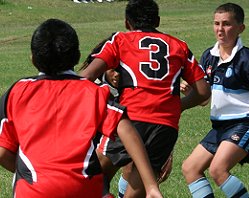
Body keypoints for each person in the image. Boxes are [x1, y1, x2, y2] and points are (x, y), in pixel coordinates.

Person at [0, 18, 163, 198]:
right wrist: (151, 186)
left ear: (32, 58)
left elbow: (2, 152)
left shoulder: (18, 91)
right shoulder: (92, 91)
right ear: (77, 56)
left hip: (33, 190)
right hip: (83, 188)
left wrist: (33, 172)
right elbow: (125, 128)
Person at [80, 0, 211, 197]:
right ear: (157, 20)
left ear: (127, 23)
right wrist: (179, 106)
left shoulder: (121, 40)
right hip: (165, 128)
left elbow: (87, 76)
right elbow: (203, 92)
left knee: (91, 178)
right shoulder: (179, 46)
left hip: (129, 120)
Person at [181, 3, 249, 198]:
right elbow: (204, 98)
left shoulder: (248, 59)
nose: (220, 29)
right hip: (220, 127)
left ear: (240, 28)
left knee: (218, 170)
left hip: (247, 122)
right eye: (216, 23)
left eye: (226, 24)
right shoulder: (209, 56)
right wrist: (190, 91)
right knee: (190, 168)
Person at [81, 39, 175, 198]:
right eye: (113, 69)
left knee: (134, 165)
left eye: (121, 70)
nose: (117, 74)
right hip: (86, 153)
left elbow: (152, 123)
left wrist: (166, 152)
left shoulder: (130, 90)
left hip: (117, 143)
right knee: (95, 178)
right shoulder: (93, 90)